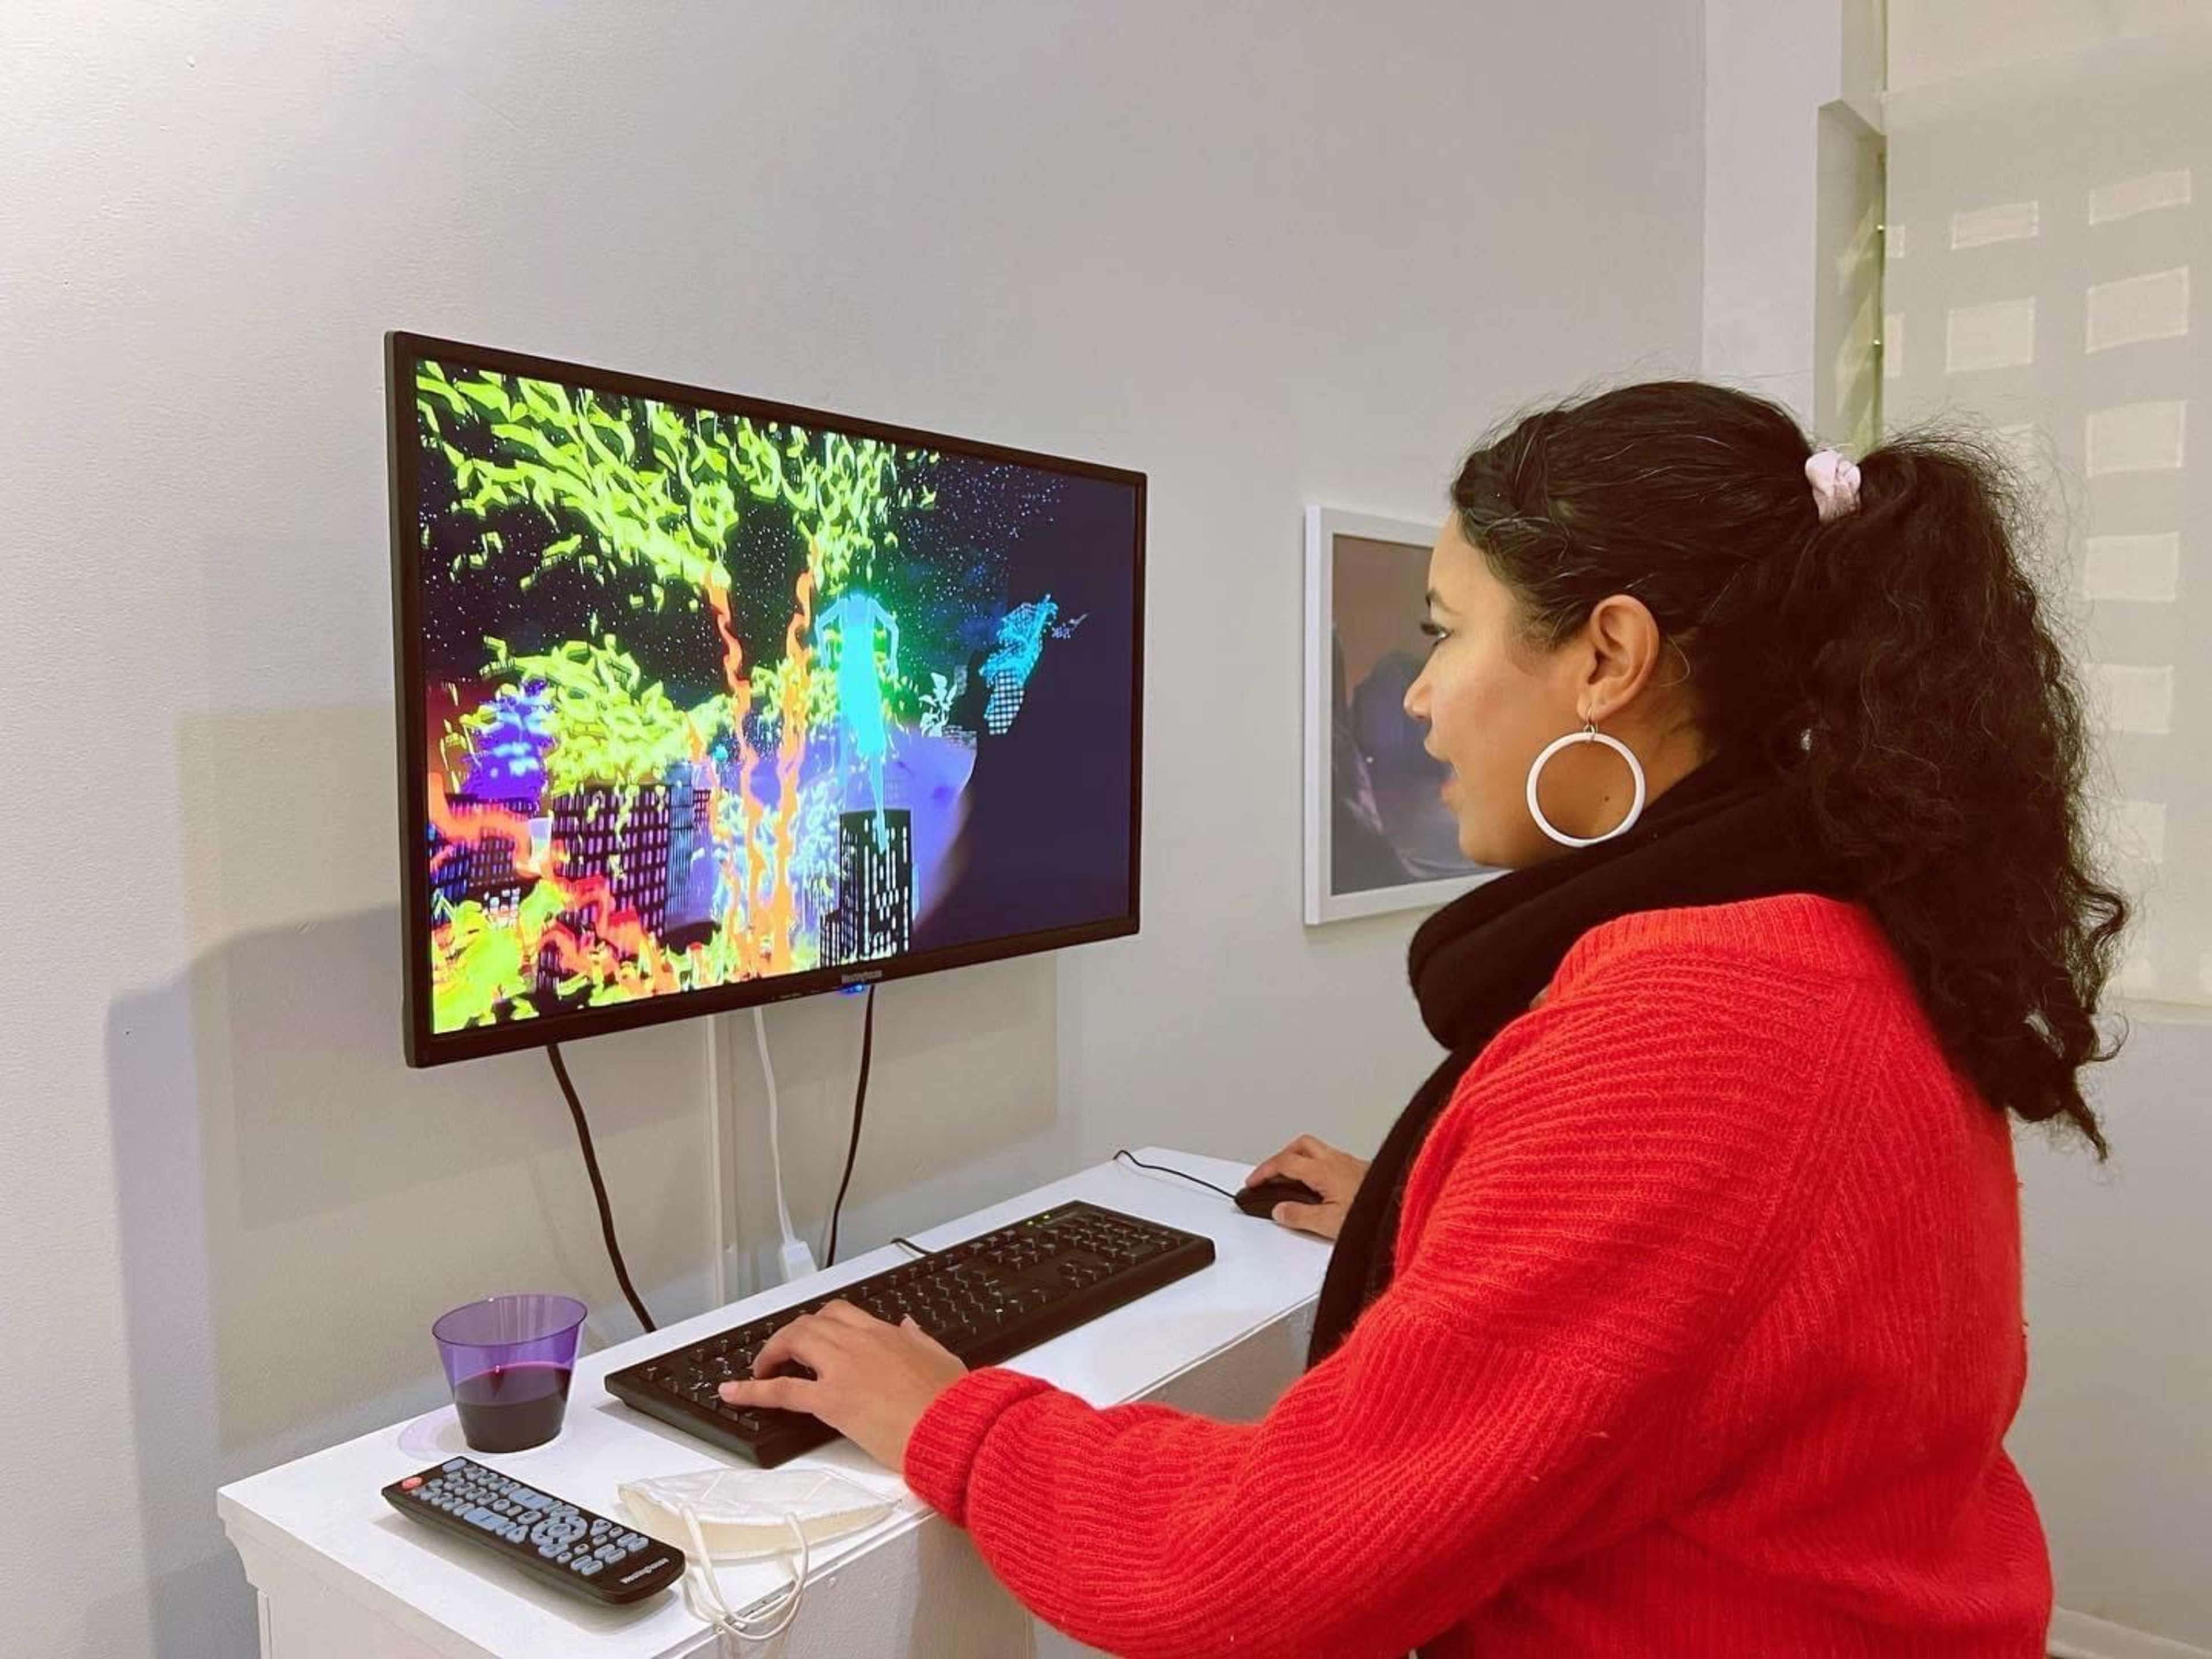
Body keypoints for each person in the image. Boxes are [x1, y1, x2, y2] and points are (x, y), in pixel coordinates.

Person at [715, 381, 2128, 1657]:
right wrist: (1443, 1222)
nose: (1422, 696)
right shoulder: (1835, 935)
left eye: (1447, 631)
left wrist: (943, 1417)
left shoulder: (1693, 1033)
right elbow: (1731, 1318)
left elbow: (1255, 1575)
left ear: (1609, 657)